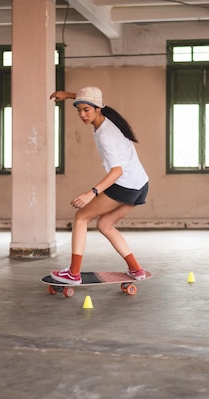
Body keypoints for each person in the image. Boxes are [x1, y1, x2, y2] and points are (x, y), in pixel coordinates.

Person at [49, 86, 149, 284]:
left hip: (125, 183)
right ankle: (136, 269)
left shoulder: (106, 135)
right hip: (140, 184)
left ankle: (73, 273)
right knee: (105, 224)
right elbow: (88, 99)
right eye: (79, 110)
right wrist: (68, 95)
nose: (82, 115)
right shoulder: (107, 117)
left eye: (87, 110)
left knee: (81, 218)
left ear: (98, 108)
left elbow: (117, 171)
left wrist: (92, 193)